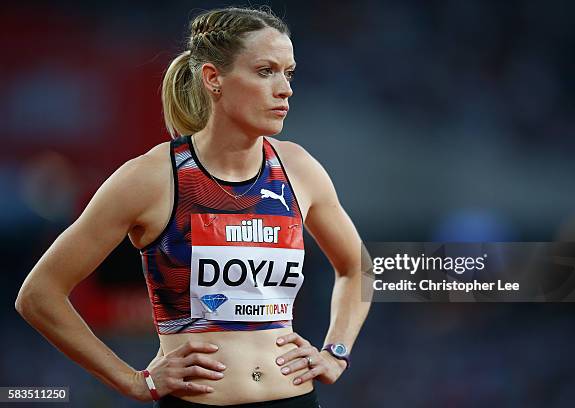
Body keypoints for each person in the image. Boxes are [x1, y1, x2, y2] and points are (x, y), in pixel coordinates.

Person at [15, 6, 371, 408]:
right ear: (213, 78)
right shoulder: (151, 177)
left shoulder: (299, 169)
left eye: (288, 73)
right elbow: (39, 295)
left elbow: (357, 266)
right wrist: (133, 381)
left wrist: (335, 352)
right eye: (265, 71)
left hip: (293, 398)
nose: (285, 88)